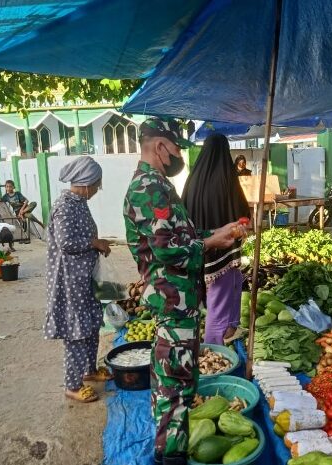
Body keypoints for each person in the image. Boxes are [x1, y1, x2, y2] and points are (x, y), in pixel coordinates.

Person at [123, 118, 243, 465]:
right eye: (176, 148)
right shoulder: (149, 188)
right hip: (172, 297)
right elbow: (167, 249)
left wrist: (215, 230)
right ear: (160, 146)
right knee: (175, 380)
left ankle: (167, 444)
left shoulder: (156, 184)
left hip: (178, 298)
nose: (178, 156)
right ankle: (171, 454)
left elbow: (178, 235)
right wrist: (211, 242)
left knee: (174, 374)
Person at [44, 156, 112, 404]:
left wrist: (97, 245)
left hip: (85, 279)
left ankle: (89, 371)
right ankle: (72, 385)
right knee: (76, 332)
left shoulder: (79, 203)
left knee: (92, 326)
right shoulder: (65, 206)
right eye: (96, 184)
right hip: (70, 282)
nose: (97, 189)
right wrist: (94, 243)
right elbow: (66, 243)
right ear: (84, 182)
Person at [182, 134, 250, 345]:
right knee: (218, 304)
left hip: (198, 249)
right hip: (223, 252)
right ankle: (213, 351)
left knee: (228, 290)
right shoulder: (226, 178)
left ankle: (229, 329)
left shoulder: (192, 179)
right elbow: (242, 213)